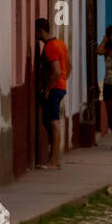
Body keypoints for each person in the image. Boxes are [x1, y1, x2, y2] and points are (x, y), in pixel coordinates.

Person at [36, 18, 71, 170]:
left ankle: (54, 161)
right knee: (50, 122)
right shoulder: (60, 44)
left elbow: (56, 71)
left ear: (41, 30)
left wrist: (47, 90)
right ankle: (54, 159)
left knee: (53, 123)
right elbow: (68, 67)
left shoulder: (50, 47)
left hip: (54, 88)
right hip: (60, 86)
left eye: (36, 31)